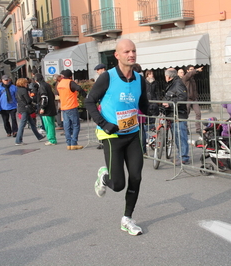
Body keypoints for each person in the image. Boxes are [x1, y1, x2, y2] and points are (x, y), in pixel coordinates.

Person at [86, 39, 149, 236]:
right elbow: (89, 101)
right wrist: (104, 124)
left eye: (134, 51)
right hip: (111, 135)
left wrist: (157, 108)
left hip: (132, 134)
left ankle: (127, 218)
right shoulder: (107, 77)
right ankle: (105, 176)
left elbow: (144, 105)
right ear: (117, 55)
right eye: (127, 51)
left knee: (136, 177)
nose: (131, 54)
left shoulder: (139, 79)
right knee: (118, 185)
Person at [163, 68, 189, 165]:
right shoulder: (172, 84)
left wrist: (170, 104)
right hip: (173, 114)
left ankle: (184, 157)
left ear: (169, 77)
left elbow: (182, 97)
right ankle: (181, 156)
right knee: (177, 137)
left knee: (181, 136)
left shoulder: (178, 83)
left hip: (179, 113)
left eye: (165, 76)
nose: (165, 77)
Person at [56, 69, 86, 150]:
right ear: (70, 76)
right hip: (71, 106)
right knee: (76, 125)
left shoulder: (60, 83)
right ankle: (74, 143)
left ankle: (68, 143)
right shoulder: (70, 82)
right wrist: (84, 95)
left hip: (64, 106)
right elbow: (78, 88)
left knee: (67, 125)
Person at [14, 78, 45, 145]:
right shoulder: (24, 90)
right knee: (22, 125)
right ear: (23, 83)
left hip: (21, 108)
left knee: (32, 124)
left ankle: (39, 136)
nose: (27, 84)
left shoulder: (18, 90)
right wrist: (31, 99)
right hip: (25, 109)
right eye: (25, 83)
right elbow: (28, 100)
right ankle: (18, 140)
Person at [35, 73, 57, 146]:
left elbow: (44, 98)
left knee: (48, 125)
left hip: (47, 109)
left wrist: (42, 107)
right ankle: (52, 138)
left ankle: (51, 139)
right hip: (51, 107)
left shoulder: (42, 86)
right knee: (51, 124)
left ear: (36, 80)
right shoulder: (47, 85)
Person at [180, 65, 203, 133]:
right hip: (187, 99)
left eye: (193, 69)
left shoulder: (192, 79)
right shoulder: (185, 78)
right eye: (191, 69)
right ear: (187, 71)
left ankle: (198, 129)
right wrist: (196, 70)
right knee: (186, 114)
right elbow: (189, 74)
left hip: (194, 99)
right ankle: (185, 128)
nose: (192, 70)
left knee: (198, 113)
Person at [93, 64, 107, 150]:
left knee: (103, 122)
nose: (97, 72)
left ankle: (103, 142)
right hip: (101, 103)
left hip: (105, 104)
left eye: (98, 70)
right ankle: (101, 141)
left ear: (102, 69)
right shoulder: (102, 78)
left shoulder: (105, 78)